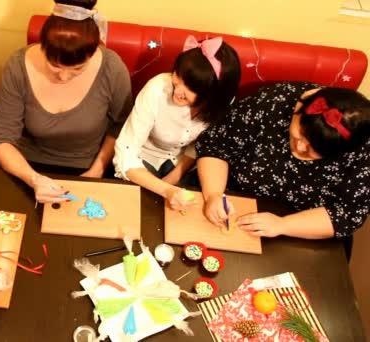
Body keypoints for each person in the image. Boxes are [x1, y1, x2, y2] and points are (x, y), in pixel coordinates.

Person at [0, 0, 133, 203]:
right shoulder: (18, 66)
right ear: (42, 48)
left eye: (77, 68)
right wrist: (33, 179)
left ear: (93, 53)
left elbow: (121, 126)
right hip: (26, 166)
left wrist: (96, 171)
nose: (64, 77)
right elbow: (1, 138)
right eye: (54, 66)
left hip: (88, 167)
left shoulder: (112, 68)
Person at [195, 82, 370, 240]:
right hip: (234, 199)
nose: (300, 148)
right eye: (298, 136)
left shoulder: (363, 150)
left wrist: (282, 225)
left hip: (305, 225)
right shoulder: (271, 103)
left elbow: (347, 213)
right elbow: (216, 145)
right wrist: (214, 194)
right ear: (298, 112)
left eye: (313, 150)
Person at [113, 36, 240, 210]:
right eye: (178, 76)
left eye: (192, 88)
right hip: (143, 159)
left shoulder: (223, 105)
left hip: (183, 165)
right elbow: (126, 153)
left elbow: (200, 147)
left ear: (213, 95)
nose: (178, 91)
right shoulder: (157, 89)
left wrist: (171, 182)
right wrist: (166, 190)